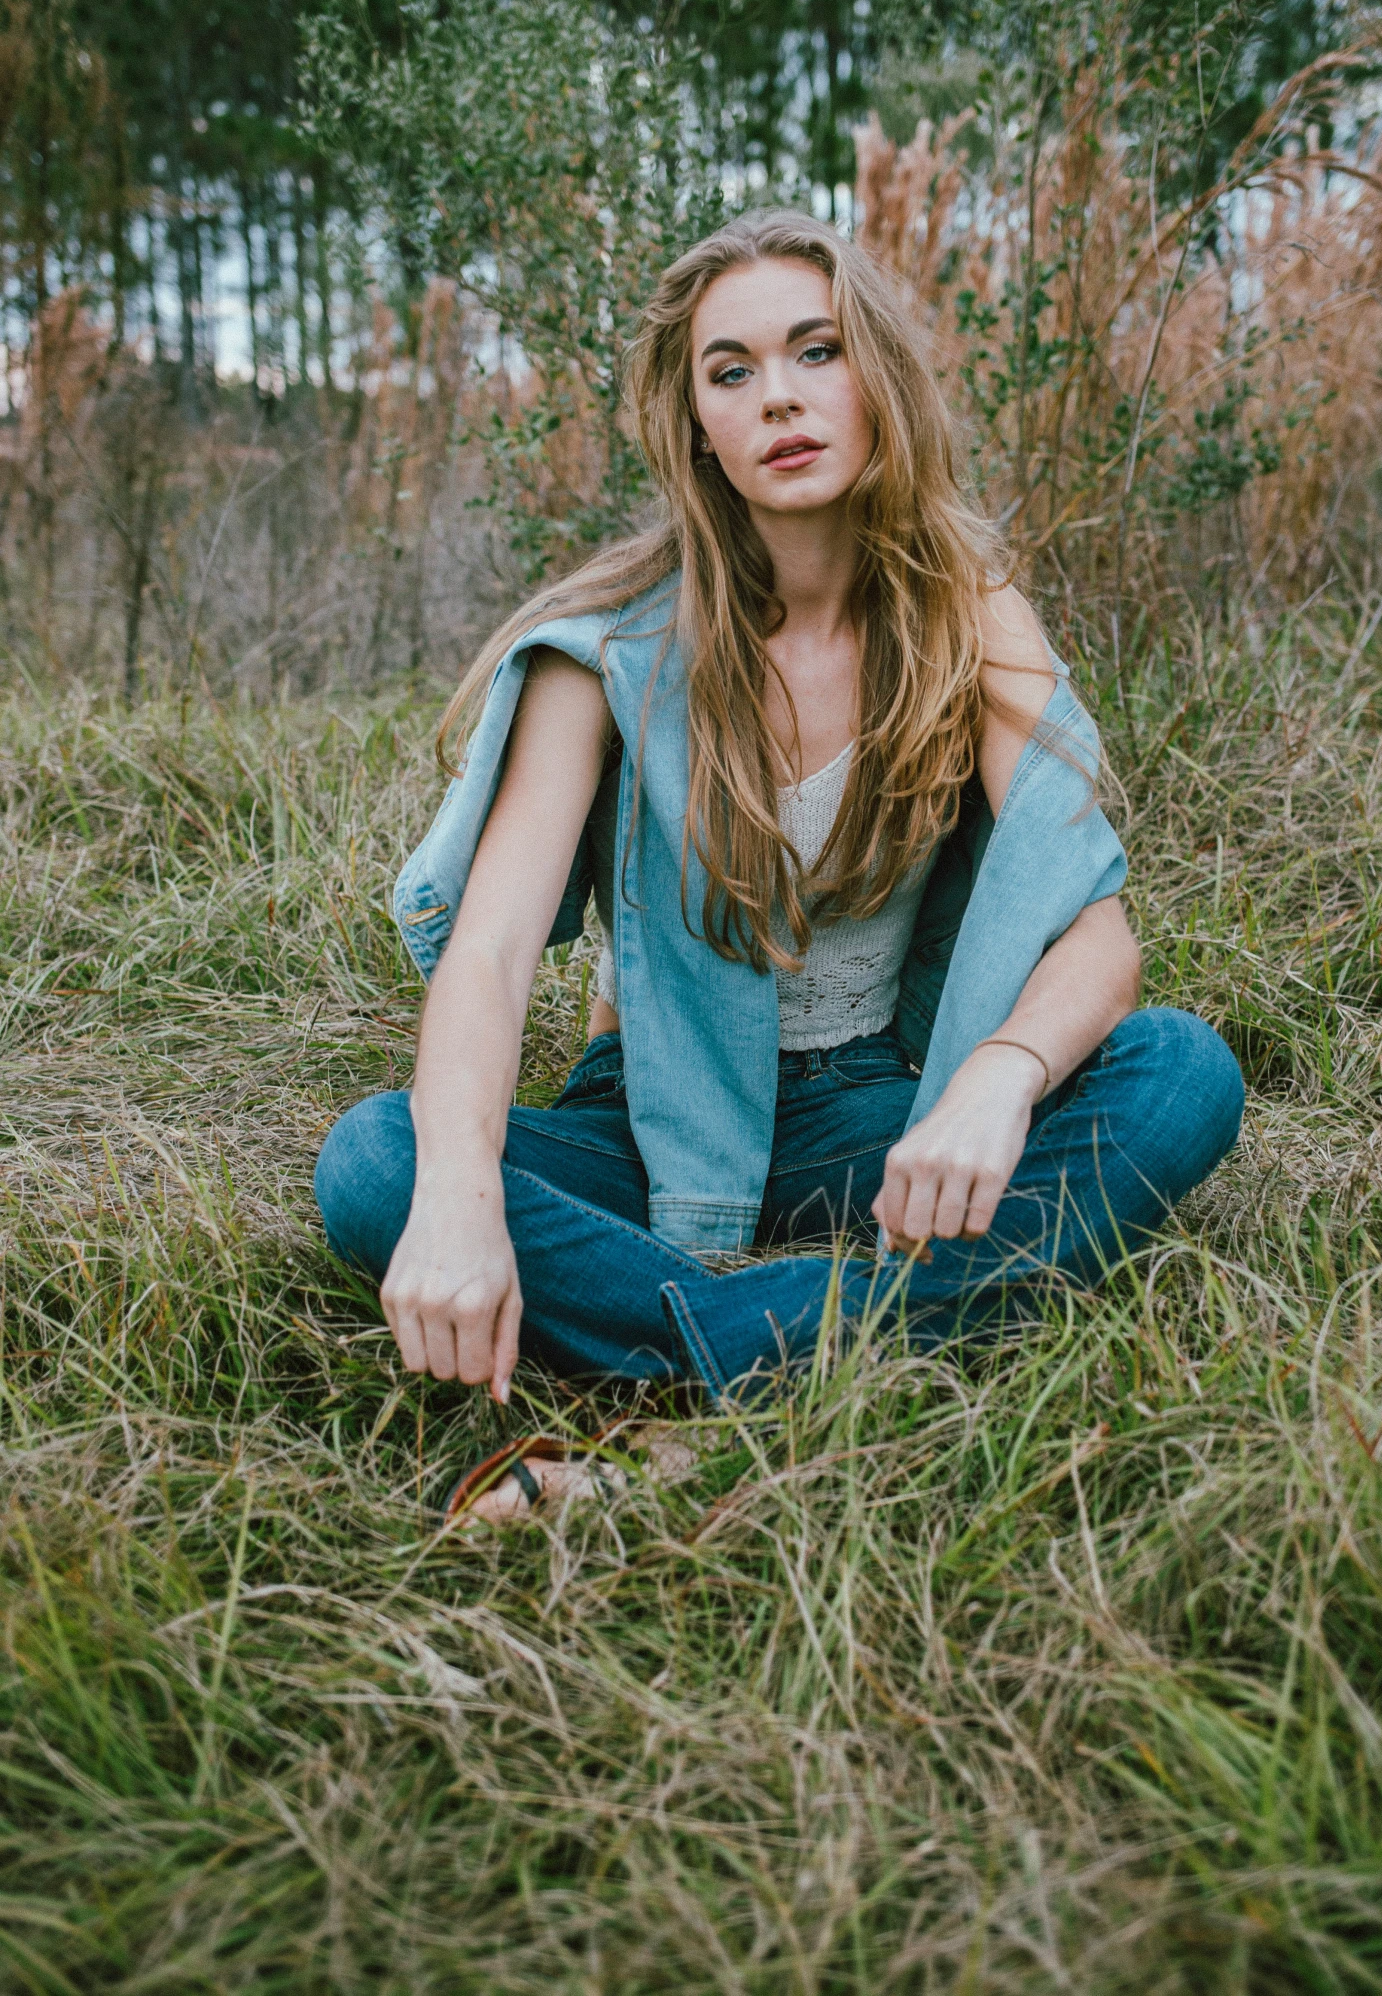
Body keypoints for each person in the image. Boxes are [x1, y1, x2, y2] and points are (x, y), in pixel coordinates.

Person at [314, 211, 1244, 1524]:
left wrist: (994, 1076)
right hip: (645, 1117)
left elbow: (1096, 930)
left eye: (815, 350)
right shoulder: (611, 648)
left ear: (873, 376)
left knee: (1180, 1073)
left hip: (878, 1115)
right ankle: (855, 1361)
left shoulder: (964, 612)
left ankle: (674, 1412)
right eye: (730, 370)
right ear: (695, 421)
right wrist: (459, 1203)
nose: (781, 398)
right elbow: (494, 949)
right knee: (376, 1166)